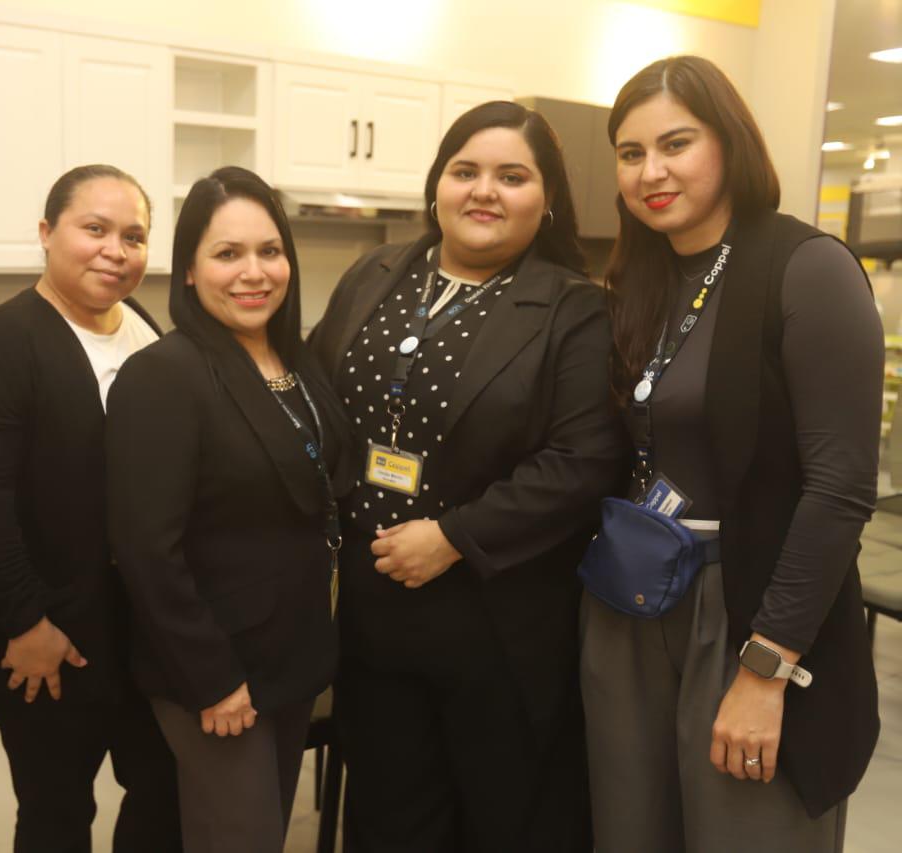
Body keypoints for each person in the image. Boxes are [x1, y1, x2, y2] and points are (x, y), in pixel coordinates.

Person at [580, 55, 882, 853]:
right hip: (632, 604)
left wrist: (766, 667)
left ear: (730, 143)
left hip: (749, 608)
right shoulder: (637, 277)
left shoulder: (805, 268)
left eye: (676, 143)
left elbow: (840, 489)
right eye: (632, 152)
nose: (653, 171)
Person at [307, 101, 628, 852]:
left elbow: (583, 459)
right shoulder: (374, 274)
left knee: (501, 816)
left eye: (512, 176)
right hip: (372, 603)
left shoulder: (575, 309)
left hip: (497, 618)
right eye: (466, 171)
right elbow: (317, 400)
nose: (484, 190)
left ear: (546, 199)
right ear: (437, 185)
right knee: (389, 811)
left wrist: (453, 535)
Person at [105, 166, 352, 853]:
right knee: (237, 837)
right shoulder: (165, 375)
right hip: (215, 667)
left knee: (263, 832)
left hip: (292, 652)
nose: (254, 272)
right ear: (188, 271)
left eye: (269, 251)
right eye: (227, 254)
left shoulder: (297, 362)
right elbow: (146, 547)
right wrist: (212, 678)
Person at [0, 164, 181, 853]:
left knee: (162, 788)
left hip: (143, 630)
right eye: (94, 229)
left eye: (134, 236)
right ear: (47, 234)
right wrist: (24, 620)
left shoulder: (145, 328)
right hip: (49, 637)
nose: (116, 250)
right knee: (56, 810)